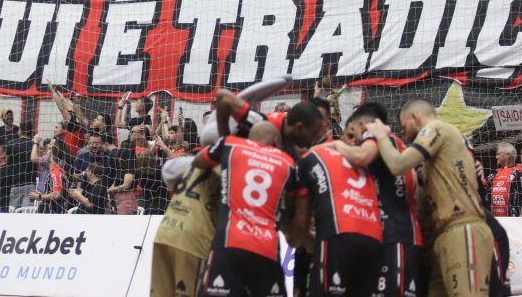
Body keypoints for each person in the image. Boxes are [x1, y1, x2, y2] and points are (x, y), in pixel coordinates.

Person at [365, 98, 493, 297]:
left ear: (415, 118)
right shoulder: (434, 161)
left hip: (462, 226)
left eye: (404, 126)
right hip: (442, 234)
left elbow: (397, 165)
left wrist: (382, 136)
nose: (405, 134)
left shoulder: (436, 128)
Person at [328, 102, 424, 297]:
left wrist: (335, 145)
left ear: (363, 126)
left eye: (350, 134)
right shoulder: (394, 144)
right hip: (397, 234)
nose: (348, 142)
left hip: (398, 236)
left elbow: (362, 156)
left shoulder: (376, 135)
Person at [194, 121, 294, 297]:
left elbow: (198, 161)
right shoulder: (287, 162)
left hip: (230, 243)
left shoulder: (231, 145)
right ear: (277, 140)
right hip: (266, 248)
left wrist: (226, 168)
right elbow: (290, 209)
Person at [292, 141, 383, 296]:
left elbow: (301, 223)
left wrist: (296, 245)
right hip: (374, 238)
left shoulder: (309, 156)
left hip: (337, 232)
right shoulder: (363, 160)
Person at [151, 153, 220, 297]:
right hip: (193, 236)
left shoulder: (190, 161)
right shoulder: (227, 164)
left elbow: (167, 173)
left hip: (165, 230)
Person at [485, 142, 522, 218]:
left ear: (508, 155)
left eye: (498, 154)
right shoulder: (496, 173)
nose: (496, 157)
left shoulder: (520, 171)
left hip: (514, 218)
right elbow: (481, 185)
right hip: (496, 219)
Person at [6, 118, 38, 209]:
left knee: (13, 212)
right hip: (30, 183)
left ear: (20, 130)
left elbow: (7, 162)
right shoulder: (34, 144)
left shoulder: (11, 143)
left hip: (15, 183)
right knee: (27, 213)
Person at [30, 145, 65, 213]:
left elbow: (56, 194)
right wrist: (42, 194)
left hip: (51, 212)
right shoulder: (55, 171)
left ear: (50, 157)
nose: (44, 155)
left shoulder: (56, 172)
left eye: (46, 153)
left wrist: (39, 196)